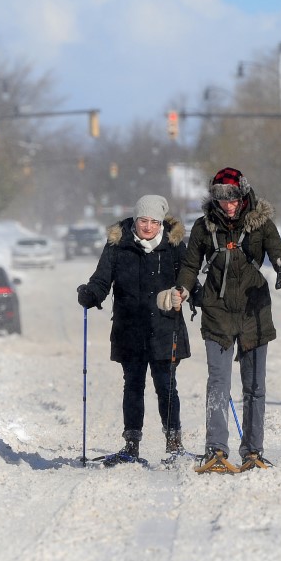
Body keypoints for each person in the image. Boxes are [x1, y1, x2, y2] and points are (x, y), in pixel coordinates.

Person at [158, 168, 281, 471]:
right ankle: (216, 450)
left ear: (244, 195)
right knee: (218, 384)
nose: (228, 205)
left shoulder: (262, 224)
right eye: (221, 199)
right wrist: (181, 290)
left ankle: (253, 451)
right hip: (217, 312)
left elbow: (278, 255)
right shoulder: (203, 227)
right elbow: (190, 265)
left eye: (233, 198)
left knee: (255, 386)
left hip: (254, 312)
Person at [77, 195, 190, 466]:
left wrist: (194, 296)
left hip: (165, 327)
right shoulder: (119, 244)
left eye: (153, 221)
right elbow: (102, 279)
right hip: (130, 328)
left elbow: (189, 278)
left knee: (167, 387)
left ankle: (174, 444)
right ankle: (131, 445)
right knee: (133, 387)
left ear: (161, 222)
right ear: (135, 219)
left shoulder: (174, 245)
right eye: (143, 220)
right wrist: (91, 294)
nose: (148, 227)